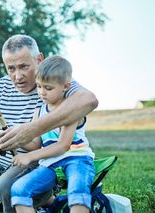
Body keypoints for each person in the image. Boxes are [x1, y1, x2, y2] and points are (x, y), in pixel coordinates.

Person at [0, 34, 98, 213]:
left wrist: (30, 131)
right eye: (11, 68)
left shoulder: (54, 82)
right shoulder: (0, 86)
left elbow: (89, 100)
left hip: (34, 164)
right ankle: (7, 196)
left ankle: (27, 196)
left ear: (39, 59)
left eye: (24, 67)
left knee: (6, 187)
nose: (17, 76)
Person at [11, 55, 95, 213]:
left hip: (76, 159)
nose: (42, 92)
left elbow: (63, 146)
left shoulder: (71, 110)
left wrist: (29, 157)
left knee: (77, 191)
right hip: (50, 164)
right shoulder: (39, 111)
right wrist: (14, 138)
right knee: (19, 189)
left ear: (65, 86)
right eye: (39, 86)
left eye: (48, 88)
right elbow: (34, 143)